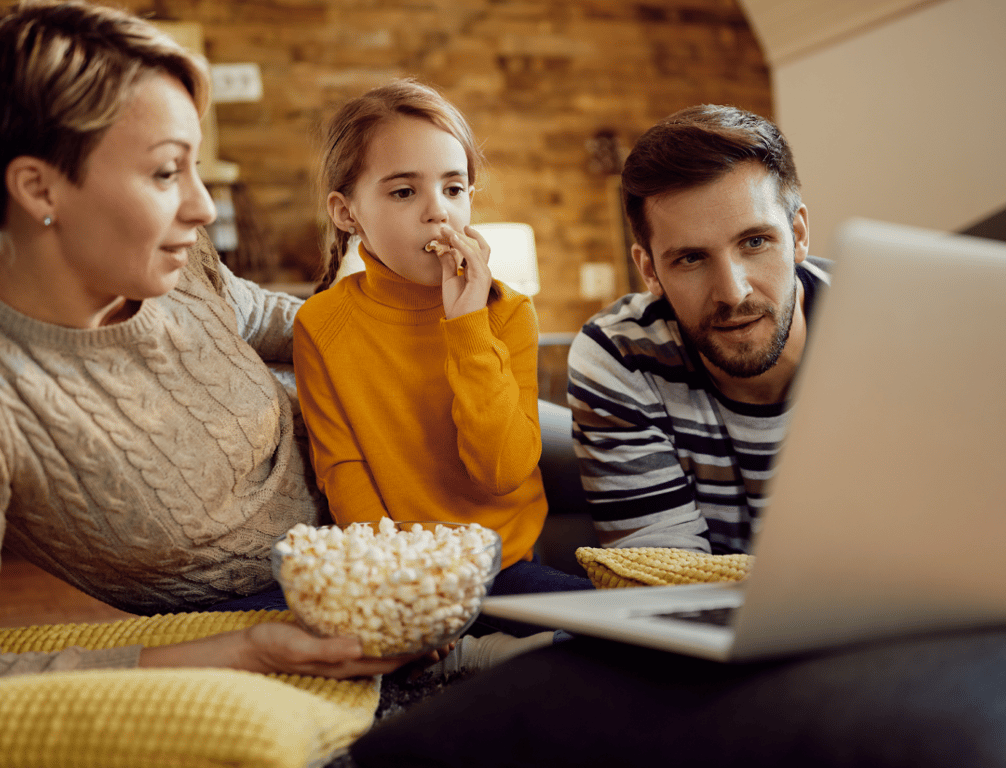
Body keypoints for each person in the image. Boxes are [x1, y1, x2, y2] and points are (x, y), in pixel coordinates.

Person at [0, 0, 412, 680]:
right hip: (306, 600)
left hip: (409, 498)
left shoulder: (170, 264)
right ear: (38, 188)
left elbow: (288, 324)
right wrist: (244, 653)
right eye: (165, 172)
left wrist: (426, 335)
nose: (202, 207)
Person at [295, 79, 592, 623]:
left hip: (505, 569)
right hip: (397, 575)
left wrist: (467, 325)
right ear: (346, 212)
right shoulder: (320, 325)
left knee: (614, 636)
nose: (439, 213)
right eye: (403, 192)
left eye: (454, 189)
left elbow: (502, 471)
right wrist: (406, 585)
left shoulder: (508, 313)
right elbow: (343, 471)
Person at [566, 105, 831, 555]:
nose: (732, 292)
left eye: (755, 242)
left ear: (799, 234)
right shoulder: (620, 355)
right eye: (691, 258)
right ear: (649, 270)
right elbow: (663, 577)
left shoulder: (888, 327)